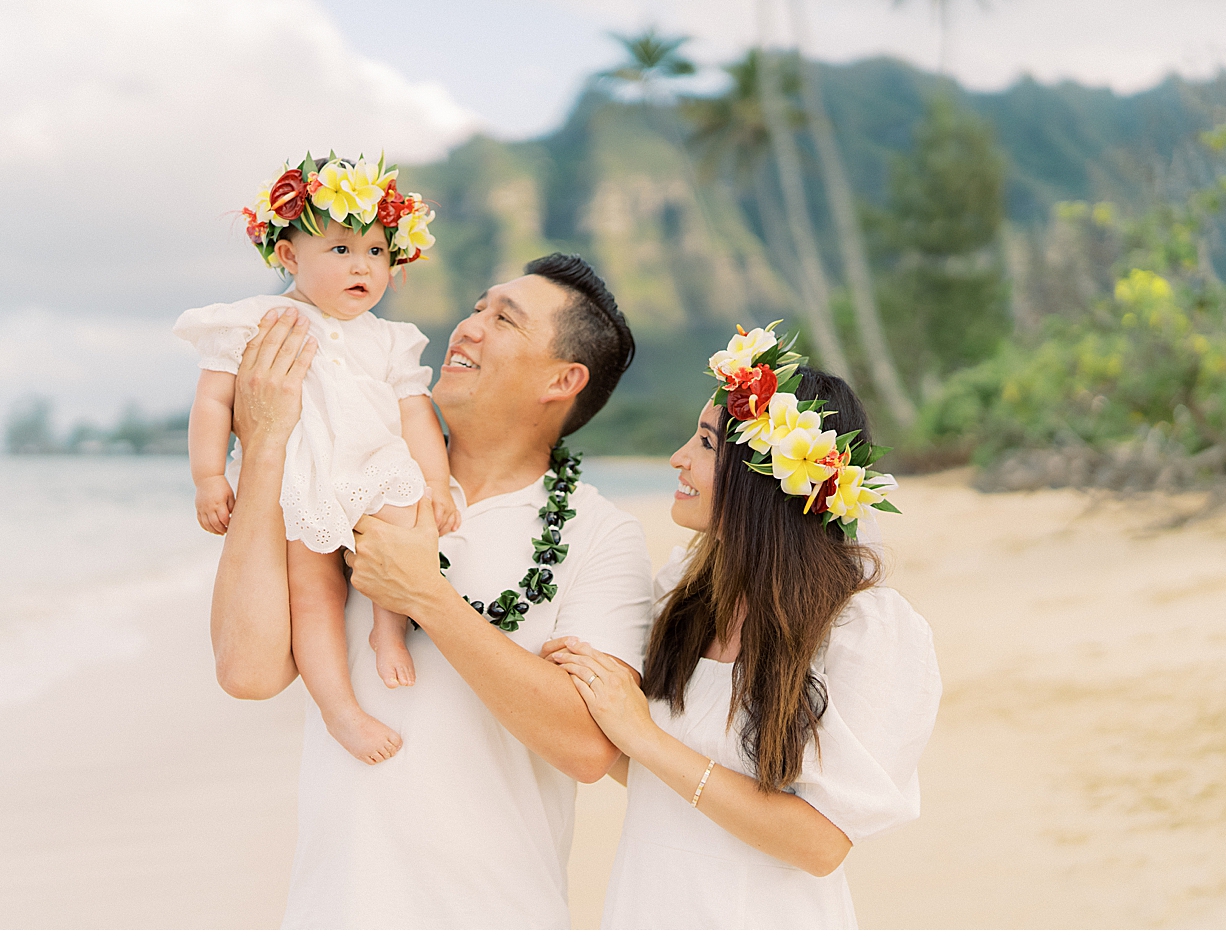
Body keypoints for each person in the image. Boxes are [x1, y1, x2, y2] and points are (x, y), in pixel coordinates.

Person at [210, 252, 655, 928]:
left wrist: (427, 596)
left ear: (563, 379)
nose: (468, 326)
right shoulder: (348, 480)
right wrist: (267, 443)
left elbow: (590, 747)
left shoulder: (600, 534)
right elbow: (246, 670)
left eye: (502, 319)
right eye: (476, 307)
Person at [546, 326, 942, 929]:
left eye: (705, 443)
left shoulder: (860, 631)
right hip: (648, 911)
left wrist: (643, 737)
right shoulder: (684, 595)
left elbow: (820, 845)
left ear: (766, 476)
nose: (678, 457)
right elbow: (654, 774)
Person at [175, 154, 458, 766]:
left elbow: (415, 414)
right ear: (288, 256)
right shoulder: (253, 319)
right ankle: (340, 709)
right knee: (313, 593)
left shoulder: (390, 338)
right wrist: (207, 476)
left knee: (405, 529)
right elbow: (214, 400)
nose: (362, 265)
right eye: (339, 250)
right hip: (303, 478)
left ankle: (388, 631)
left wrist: (436, 481)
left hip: (377, 467)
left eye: (378, 252)